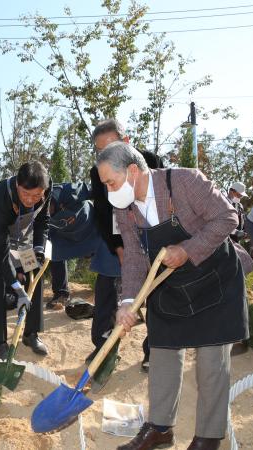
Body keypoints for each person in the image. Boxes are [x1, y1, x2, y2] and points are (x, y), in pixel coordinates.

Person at [98, 142, 248, 450]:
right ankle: (160, 428)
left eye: (110, 181)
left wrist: (187, 250)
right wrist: (128, 302)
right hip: (170, 285)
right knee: (162, 352)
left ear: (133, 170)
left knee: (211, 363)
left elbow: (227, 218)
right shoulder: (123, 208)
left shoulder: (184, 181)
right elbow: (137, 257)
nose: (109, 189)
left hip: (214, 281)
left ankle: (208, 437)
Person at [87, 119, 164, 372]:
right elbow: (101, 212)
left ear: (127, 141)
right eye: (100, 150)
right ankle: (103, 348)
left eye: (112, 145)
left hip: (151, 239)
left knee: (154, 294)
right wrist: (119, 248)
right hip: (115, 240)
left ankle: (154, 349)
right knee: (107, 291)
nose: (105, 154)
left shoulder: (150, 161)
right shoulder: (98, 173)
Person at [0, 161, 51, 360]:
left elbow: (42, 221)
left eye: (36, 196)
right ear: (17, 185)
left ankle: (31, 334)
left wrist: (39, 248)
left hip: (23, 232)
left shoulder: (46, 189)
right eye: (26, 194)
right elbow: (1, 252)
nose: (31, 200)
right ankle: (0, 343)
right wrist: (16, 286)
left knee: (34, 273)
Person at [46, 182, 99, 309]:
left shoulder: (67, 191)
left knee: (108, 253)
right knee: (54, 252)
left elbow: (95, 190)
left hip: (91, 228)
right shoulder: (40, 215)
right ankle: (61, 294)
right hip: (66, 237)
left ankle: (118, 290)